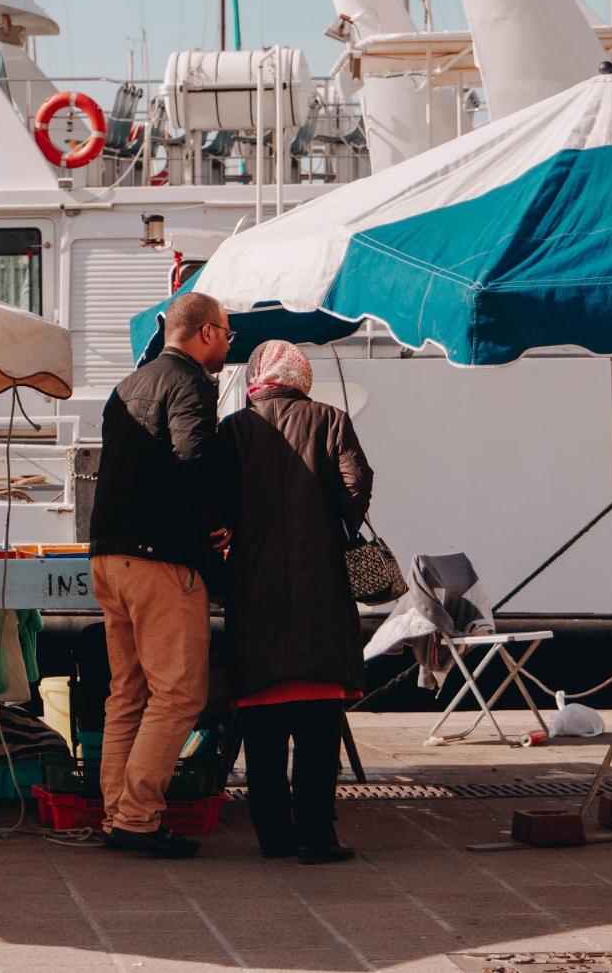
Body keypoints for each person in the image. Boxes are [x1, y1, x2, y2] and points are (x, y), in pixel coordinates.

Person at [87, 290, 236, 858]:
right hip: (158, 558)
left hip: (107, 555)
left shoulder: (127, 384)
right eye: (225, 332)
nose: (226, 343)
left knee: (128, 691)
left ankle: (116, 814)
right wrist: (218, 519)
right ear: (203, 333)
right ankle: (137, 817)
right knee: (178, 694)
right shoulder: (190, 383)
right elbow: (194, 454)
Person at [220, 339, 373, 865]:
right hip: (321, 599)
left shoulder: (235, 430)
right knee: (316, 732)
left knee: (262, 733)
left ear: (260, 376)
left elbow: (214, 503)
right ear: (301, 376)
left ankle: (273, 836)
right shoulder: (331, 420)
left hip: (253, 599)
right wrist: (330, 514)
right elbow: (357, 485)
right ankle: (316, 837)